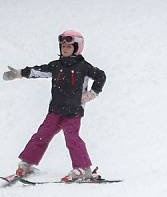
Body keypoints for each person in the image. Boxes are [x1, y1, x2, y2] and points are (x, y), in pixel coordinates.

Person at [2, 30, 106, 182]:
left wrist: (92, 93)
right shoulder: (56, 66)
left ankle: (83, 169)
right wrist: (19, 73)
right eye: (62, 46)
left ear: (77, 48)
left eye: (69, 47)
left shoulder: (83, 67)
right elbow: (38, 71)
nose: (65, 49)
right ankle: (27, 164)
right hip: (55, 110)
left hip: (74, 111)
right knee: (41, 136)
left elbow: (101, 76)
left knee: (72, 139)